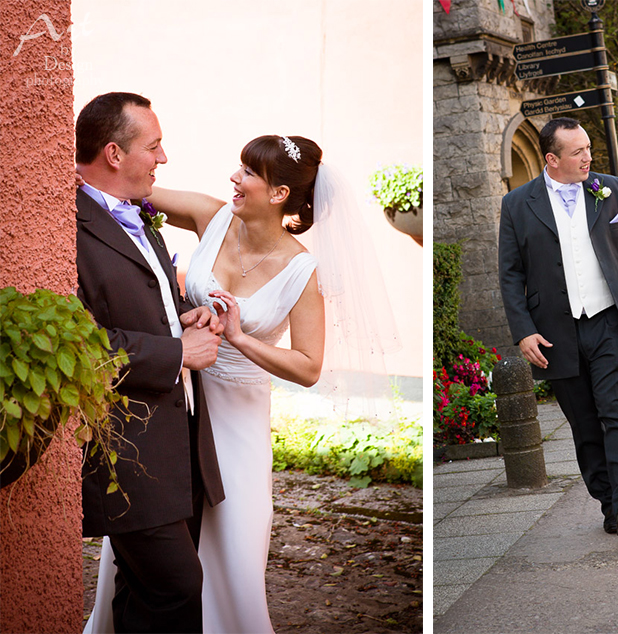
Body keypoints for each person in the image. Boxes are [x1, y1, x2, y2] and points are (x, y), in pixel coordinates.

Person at [85, 133, 392, 632]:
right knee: (154, 541)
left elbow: (309, 366)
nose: (234, 177)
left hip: (238, 424)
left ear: (278, 195)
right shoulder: (213, 217)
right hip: (178, 406)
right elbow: (121, 189)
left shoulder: (301, 271)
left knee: (232, 555)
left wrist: (239, 338)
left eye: (249, 172)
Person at [76, 92, 226, 633]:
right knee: (176, 588)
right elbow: (80, 344)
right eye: (154, 146)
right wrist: (176, 352)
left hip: (178, 434)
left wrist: (187, 317)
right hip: (126, 442)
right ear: (115, 154)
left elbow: (148, 297)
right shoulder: (66, 223)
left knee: (142, 593)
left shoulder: (141, 213)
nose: (163, 158)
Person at [498, 117, 618, 537]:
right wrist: (523, 330)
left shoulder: (611, 189)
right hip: (553, 333)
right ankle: (609, 502)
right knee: (583, 423)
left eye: (589, 148)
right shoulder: (517, 203)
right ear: (551, 159)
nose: (587, 157)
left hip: (608, 322)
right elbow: (509, 273)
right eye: (577, 151)